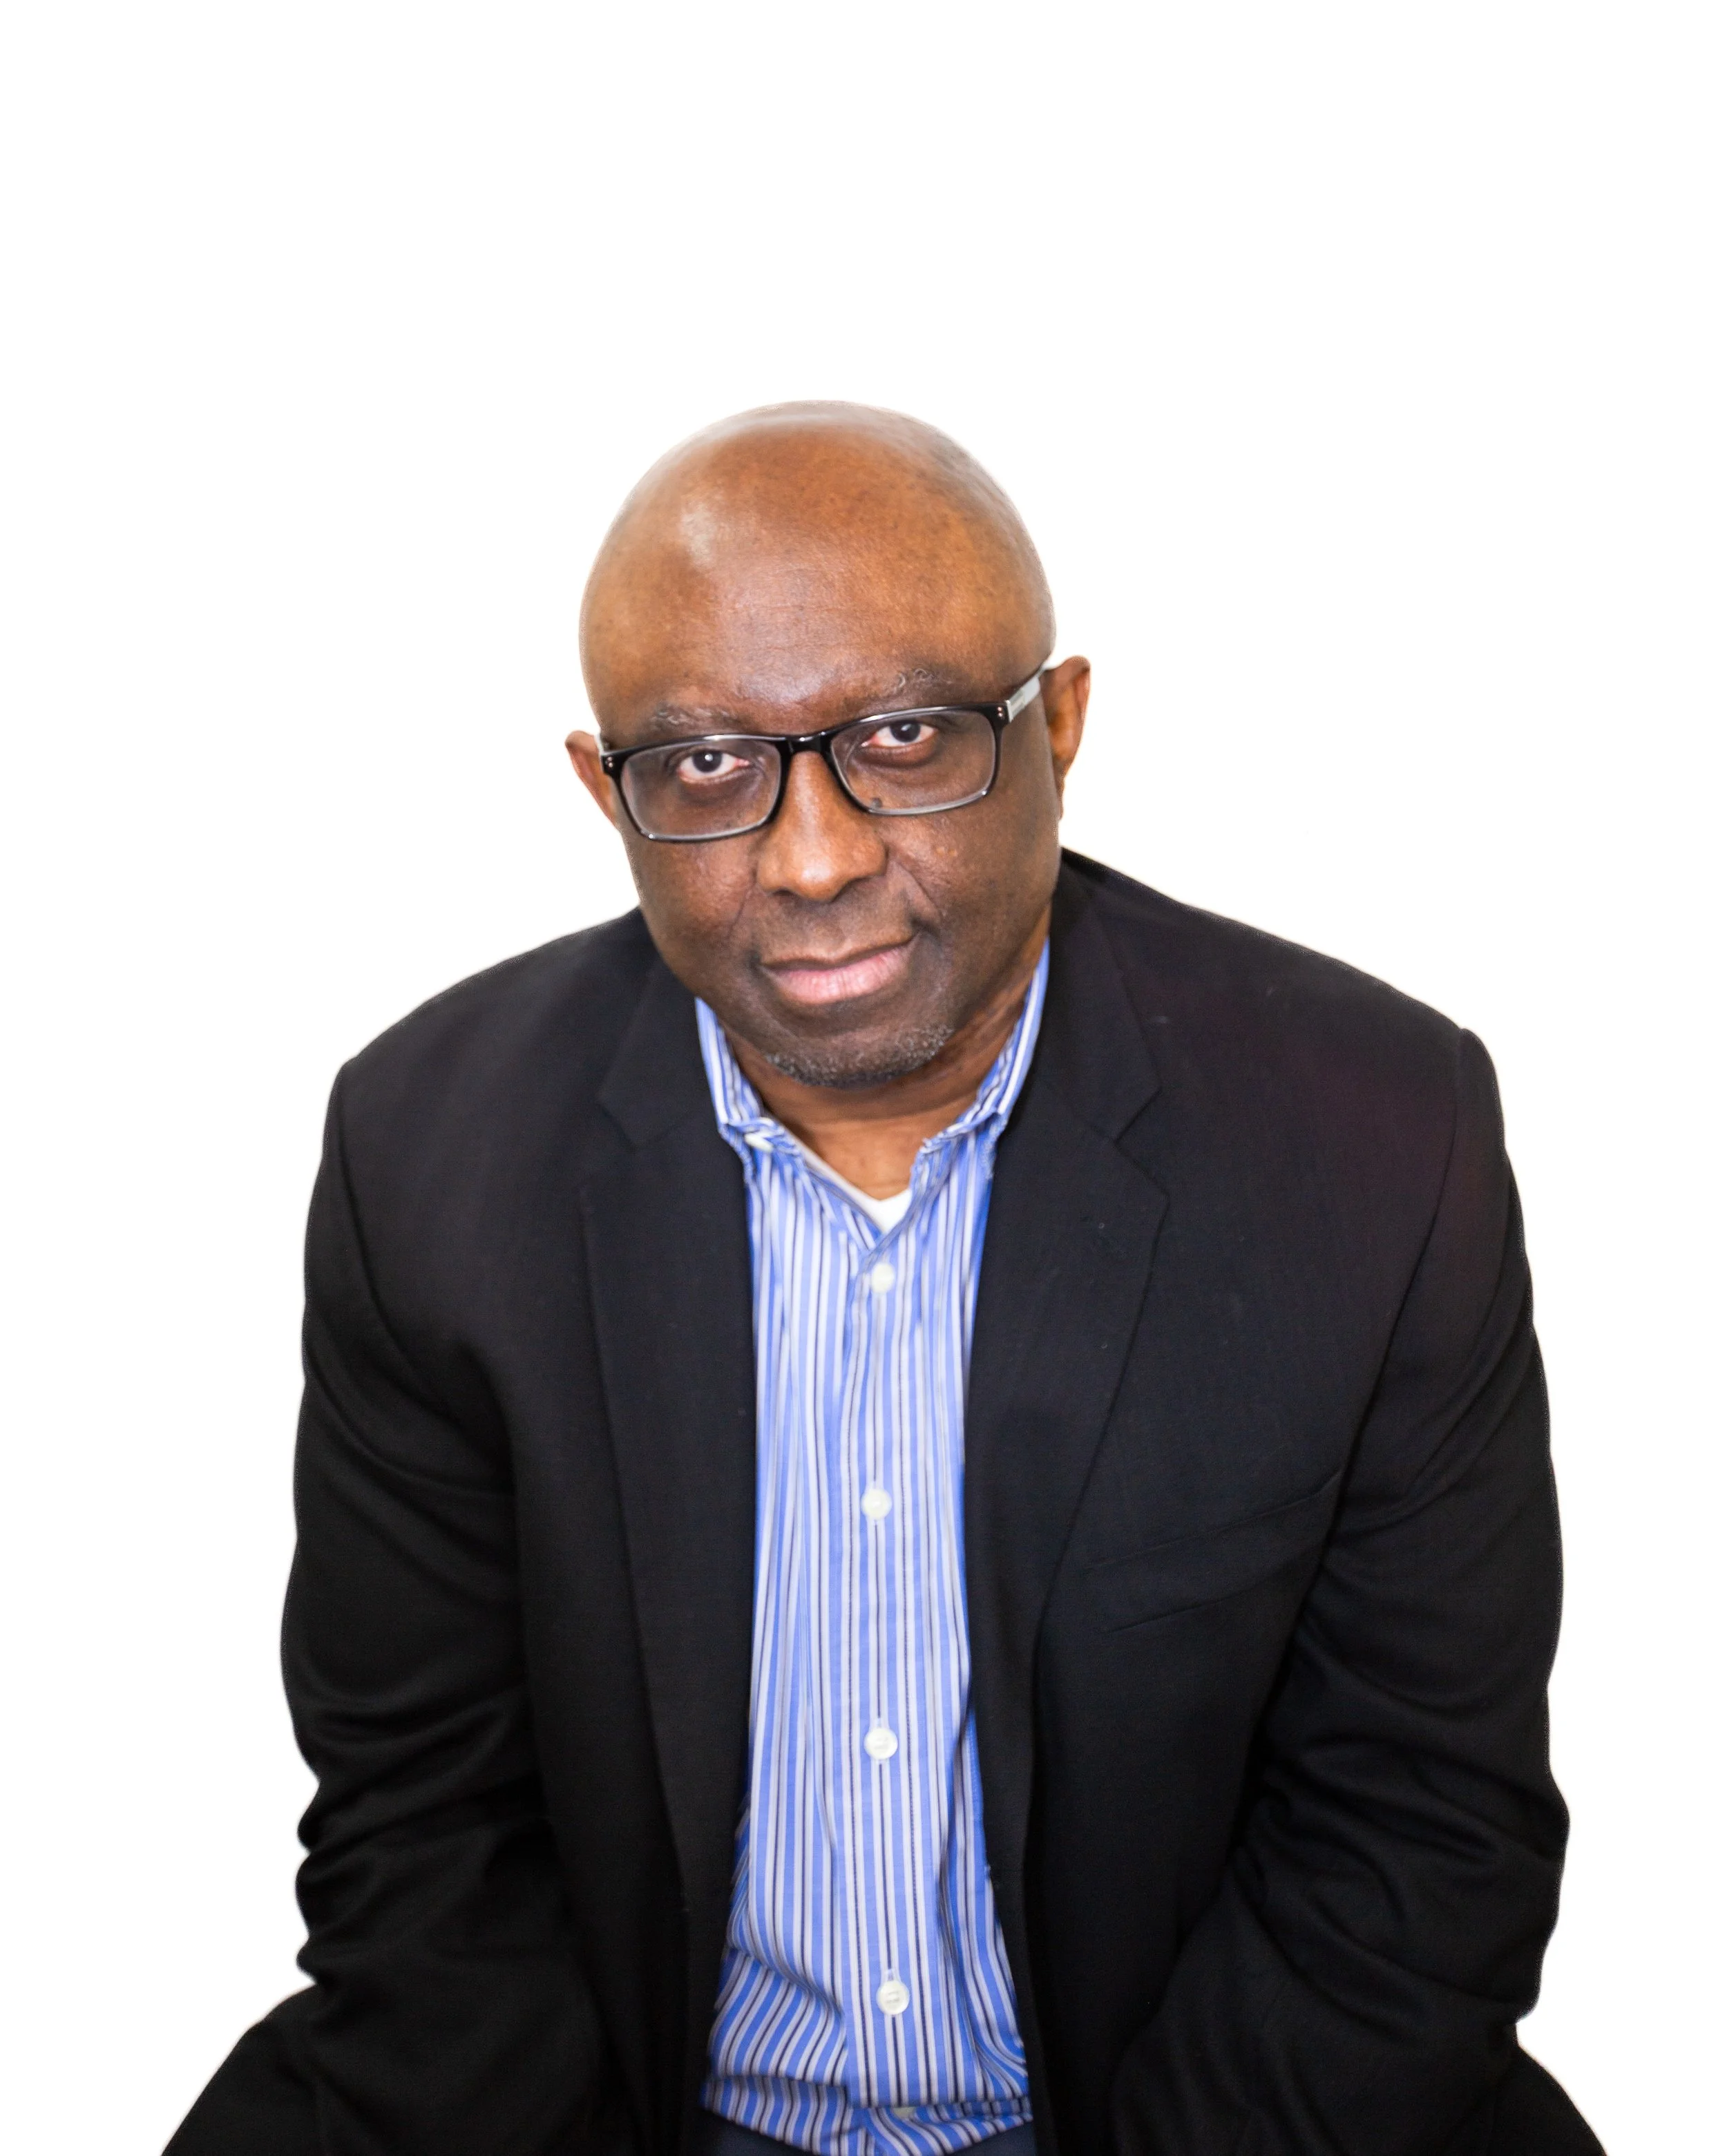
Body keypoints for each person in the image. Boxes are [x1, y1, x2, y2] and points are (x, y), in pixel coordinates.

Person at [169, 402, 1599, 2156]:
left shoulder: (1373, 1139)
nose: (814, 856)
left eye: (905, 738)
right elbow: (423, 1834)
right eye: (705, 765)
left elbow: (1414, 1841)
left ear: (1057, 725)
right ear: (602, 792)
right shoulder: (432, 1155)